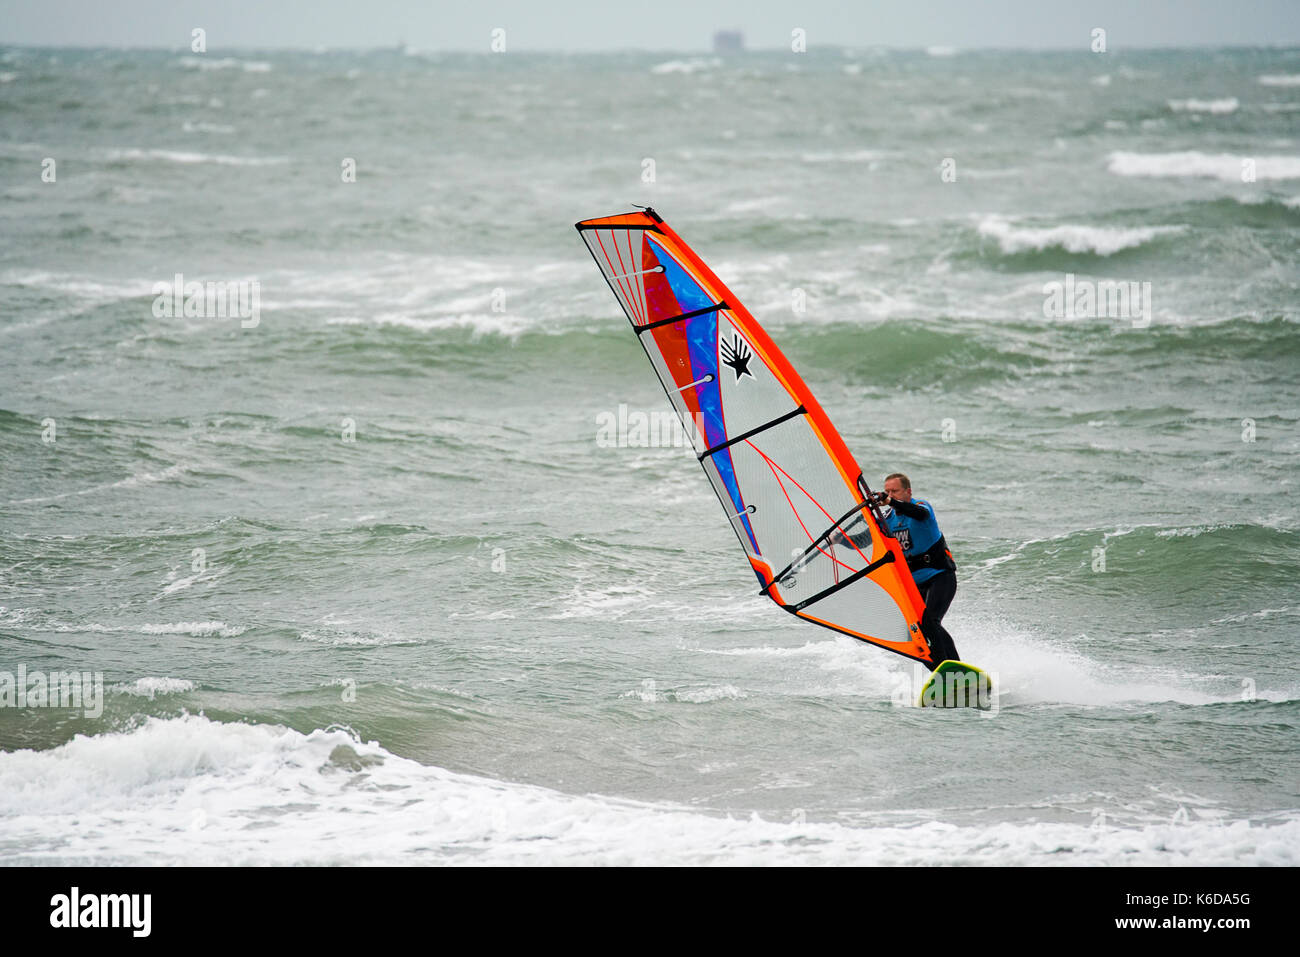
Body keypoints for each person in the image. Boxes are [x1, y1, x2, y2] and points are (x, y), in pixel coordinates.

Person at [873, 473, 960, 669]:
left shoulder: (921, 506)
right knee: (916, 631)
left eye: (894, 491)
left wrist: (890, 502)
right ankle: (939, 670)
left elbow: (917, 513)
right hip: (915, 583)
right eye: (887, 491)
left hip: (940, 575)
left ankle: (954, 667)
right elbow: (866, 537)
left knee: (931, 621)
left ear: (908, 491)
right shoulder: (886, 518)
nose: (890, 495)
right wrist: (839, 539)